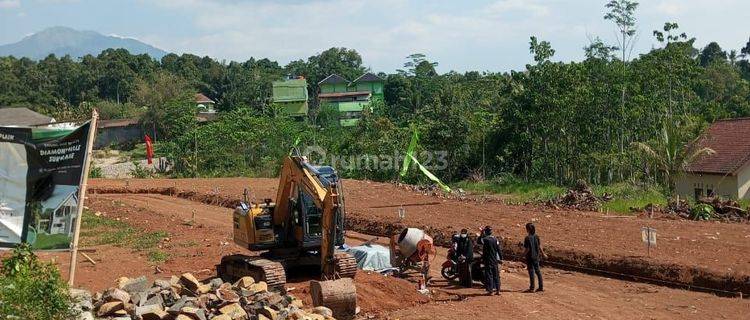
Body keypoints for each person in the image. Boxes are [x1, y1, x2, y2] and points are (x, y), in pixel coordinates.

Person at [523, 222, 547, 292]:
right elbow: (539, 246)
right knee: (538, 271)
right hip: (536, 257)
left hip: (530, 257)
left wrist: (522, 255)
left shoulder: (527, 238)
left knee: (531, 272)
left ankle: (532, 288)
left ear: (528, 229)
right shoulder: (536, 236)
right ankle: (541, 287)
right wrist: (543, 254)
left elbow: (527, 249)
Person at [478, 226, 502, 295]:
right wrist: (501, 258)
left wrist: (481, 233)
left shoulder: (485, 239)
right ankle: (498, 290)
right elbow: (498, 249)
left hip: (488, 259)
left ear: (486, 232)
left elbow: (479, 241)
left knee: (489, 275)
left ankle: (490, 290)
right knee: (496, 275)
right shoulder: (495, 239)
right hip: (494, 259)